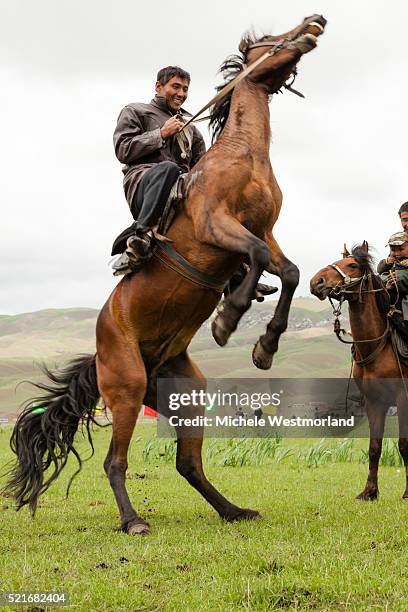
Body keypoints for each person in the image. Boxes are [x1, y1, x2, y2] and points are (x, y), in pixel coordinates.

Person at [111, 65, 277, 300]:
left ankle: (238, 274)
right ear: (159, 87)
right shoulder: (135, 111)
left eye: (185, 89)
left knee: (219, 210)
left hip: (181, 192)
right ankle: (141, 235)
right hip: (144, 185)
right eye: (175, 87)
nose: (180, 93)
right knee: (168, 169)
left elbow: (202, 170)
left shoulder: (192, 132)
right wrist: (161, 133)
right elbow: (123, 149)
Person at [378, 233, 408, 306]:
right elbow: (380, 270)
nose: (397, 253)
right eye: (393, 250)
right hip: (390, 298)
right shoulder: (391, 260)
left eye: (401, 249)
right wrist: (386, 263)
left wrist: (400, 278)